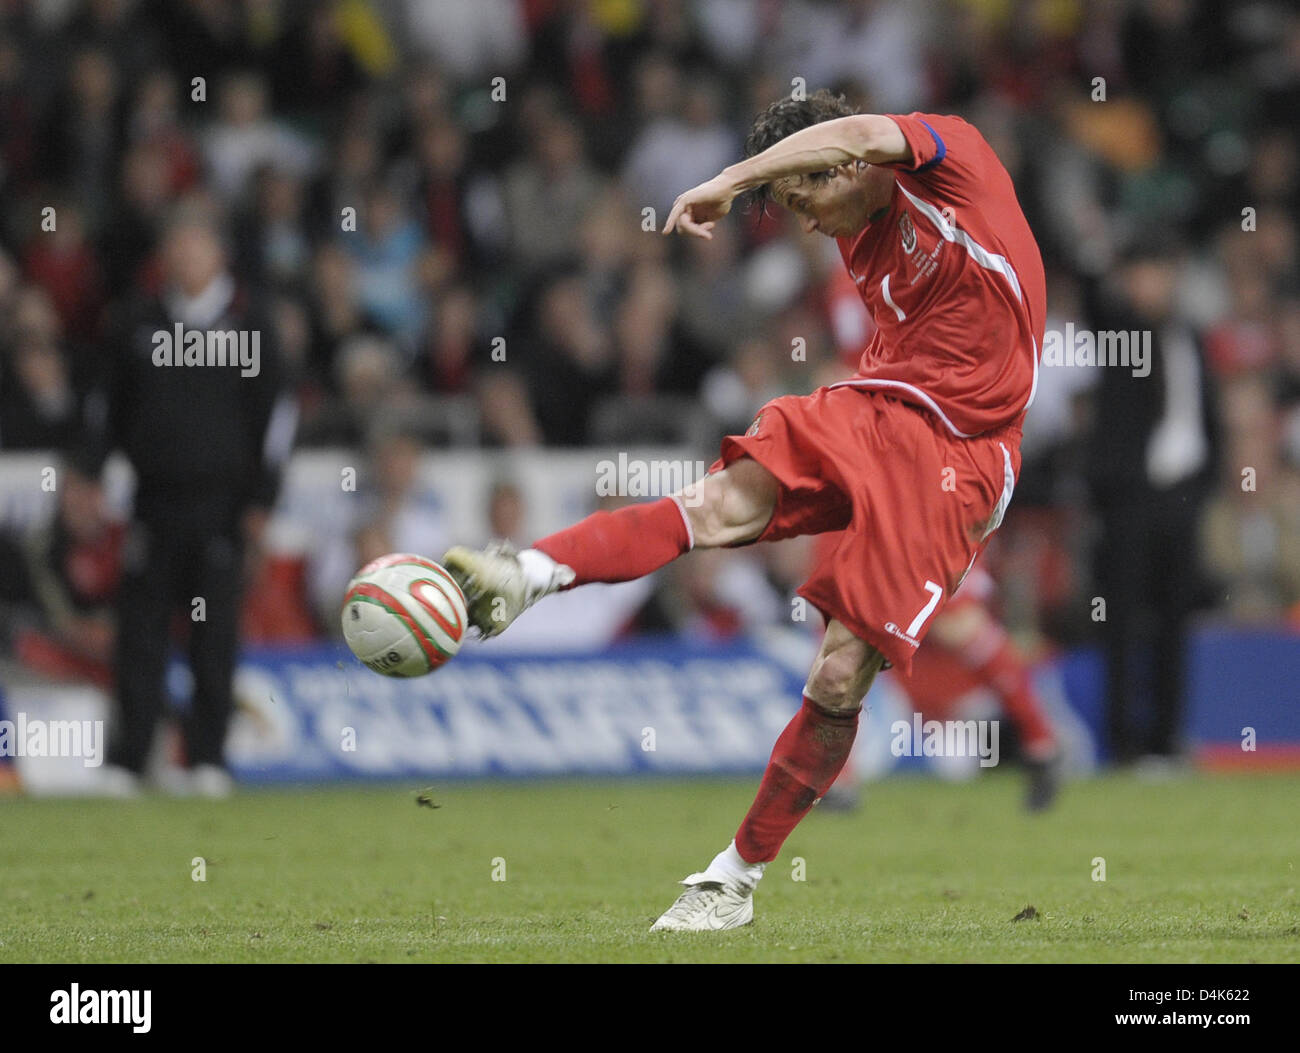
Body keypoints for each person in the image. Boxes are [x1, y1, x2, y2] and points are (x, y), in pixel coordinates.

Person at [444, 90, 1045, 930]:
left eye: (806, 197)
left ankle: (735, 878)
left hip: (962, 455)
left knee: (839, 673)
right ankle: (527, 572)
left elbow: (868, 132)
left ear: (842, 167)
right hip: (879, 410)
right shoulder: (860, 246)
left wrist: (729, 179)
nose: (806, 222)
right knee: (717, 503)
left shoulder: (954, 161)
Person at [91, 204, 292, 796]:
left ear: (218, 253)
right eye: (175, 246)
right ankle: (132, 759)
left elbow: (276, 417)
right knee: (141, 632)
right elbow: (109, 410)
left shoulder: (250, 324)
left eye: (195, 245)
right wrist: (90, 471)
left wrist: (262, 499)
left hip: (223, 509)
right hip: (154, 504)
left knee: (213, 634)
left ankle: (206, 757)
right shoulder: (138, 322)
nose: (184, 258)